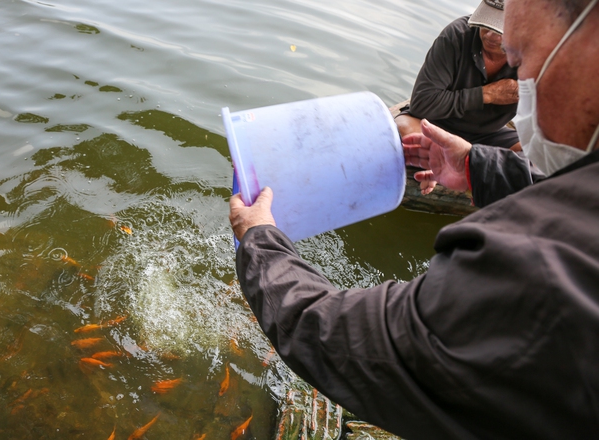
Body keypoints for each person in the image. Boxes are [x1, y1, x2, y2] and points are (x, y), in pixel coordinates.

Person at [228, 0, 599, 438]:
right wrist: (477, 168)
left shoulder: (538, 269)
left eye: (520, 61)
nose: (520, 84)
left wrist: (260, 241)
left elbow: (344, 341)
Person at [395, 0, 521, 152]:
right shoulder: (456, 35)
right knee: (405, 129)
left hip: (488, 135)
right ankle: (465, 162)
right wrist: (486, 94)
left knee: (538, 160)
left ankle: (467, 161)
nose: (489, 35)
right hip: (434, 123)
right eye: (486, 24)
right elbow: (422, 104)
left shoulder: (542, 56)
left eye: (501, 29)